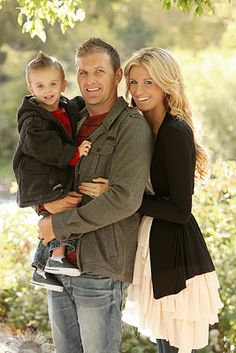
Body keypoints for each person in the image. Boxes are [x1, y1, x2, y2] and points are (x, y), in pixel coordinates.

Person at [37, 37, 153, 353]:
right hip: (58, 264)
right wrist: (43, 205)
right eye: (83, 73)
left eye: (99, 72)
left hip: (100, 268)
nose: (89, 81)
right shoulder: (71, 121)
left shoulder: (130, 128)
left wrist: (58, 225)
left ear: (117, 76)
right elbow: (43, 171)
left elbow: (125, 199)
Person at [121, 47, 223, 353]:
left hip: (176, 255)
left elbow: (180, 210)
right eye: (134, 82)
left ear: (167, 83)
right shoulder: (144, 128)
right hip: (153, 246)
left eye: (148, 82)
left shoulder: (175, 132)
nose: (138, 91)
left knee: (174, 348)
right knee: (165, 344)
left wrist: (126, 200)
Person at [13, 51, 92, 292]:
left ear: (63, 85)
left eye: (53, 84)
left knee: (58, 213)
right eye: (40, 85)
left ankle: (40, 268)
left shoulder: (63, 106)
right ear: (30, 87)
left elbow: (75, 108)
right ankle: (57, 257)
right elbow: (44, 147)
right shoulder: (33, 120)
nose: (47, 90)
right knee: (64, 210)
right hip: (40, 175)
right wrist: (74, 154)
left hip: (51, 174)